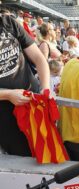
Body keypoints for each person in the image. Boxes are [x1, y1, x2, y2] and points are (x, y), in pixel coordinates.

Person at [0, 15, 50, 156]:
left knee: (46, 150)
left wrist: (45, 87)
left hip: (32, 103)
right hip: (5, 115)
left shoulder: (8, 22)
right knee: (21, 158)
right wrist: (8, 95)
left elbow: (39, 58)